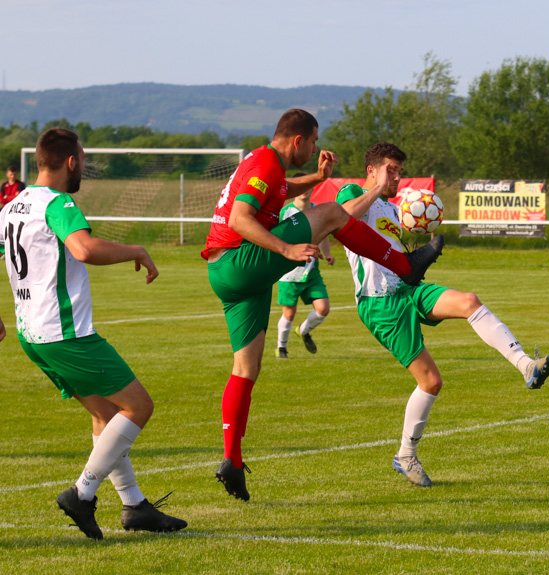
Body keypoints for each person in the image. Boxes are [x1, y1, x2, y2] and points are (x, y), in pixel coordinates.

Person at [203, 110, 444, 501]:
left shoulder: (263, 163)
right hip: (240, 259)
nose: (316, 148)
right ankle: (405, 264)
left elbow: (280, 188)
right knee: (332, 212)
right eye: (313, 141)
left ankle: (231, 460)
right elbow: (240, 217)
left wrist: (316, 178)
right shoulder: (265, 160)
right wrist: (286, 248)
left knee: (246, 369)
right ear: (297, 140)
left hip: (226, 273)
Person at [336, 142, 549, 488]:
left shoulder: (392, 210)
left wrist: (416, 260)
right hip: (379, 304)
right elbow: (344, 218)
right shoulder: (354, 192)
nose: (396, 176)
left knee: (469, 300)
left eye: (399, 171)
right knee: (431, 382)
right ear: (371, 170)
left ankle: (527, 366)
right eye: (390, 169)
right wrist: (377, 189)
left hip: (407, 291)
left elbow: (399, 260)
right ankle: (405, 455)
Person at [0, 128, 187, 539]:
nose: (83, 166)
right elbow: (83, 249)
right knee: (138, 407)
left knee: (106, 414)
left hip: (31, 334)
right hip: (66, 334)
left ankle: (134, 506)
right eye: (82, 159)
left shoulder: (13, 206)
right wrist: (136, 250)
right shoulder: (58, 202)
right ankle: (81, 494)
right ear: (71, 162)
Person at [275, 179, 335, 359]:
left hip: (311, 271)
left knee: (323, 308)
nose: (304, 191)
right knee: (289, 312)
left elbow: (322, 233)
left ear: (312, 188)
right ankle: (282, 348)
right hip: (289, 273)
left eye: (307, 187)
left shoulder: (317, 210)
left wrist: (327, 253)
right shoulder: (286, 212)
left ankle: (303, 330)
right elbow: (277, 237)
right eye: (300, 187)